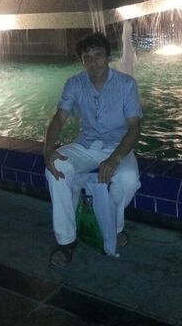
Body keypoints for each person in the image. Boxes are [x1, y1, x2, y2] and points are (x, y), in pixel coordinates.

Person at [43, 32, 142, 267]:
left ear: (108, 56)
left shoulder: (126, 84)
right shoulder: (74, 83)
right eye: (87, 57)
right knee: (55, 168)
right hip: (86, 145)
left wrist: (115, 158)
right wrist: (47, 150)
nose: (93, 62)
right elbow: (59, 118)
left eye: (98, 55)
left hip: (117, 146)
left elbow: (134, 128)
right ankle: (66, 240)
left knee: (128, 179)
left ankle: (113, 227)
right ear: (82, 61)